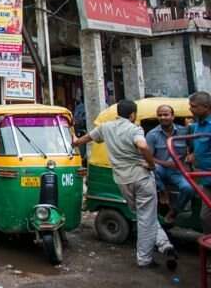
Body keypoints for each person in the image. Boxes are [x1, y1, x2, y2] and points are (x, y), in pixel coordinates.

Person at [73, 100, 176, 269]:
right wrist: (151, 164)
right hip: (141, 178)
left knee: (144, 216)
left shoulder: (106, 127)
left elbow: (86, 138)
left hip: (122, 181)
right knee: (145, 217)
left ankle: (165, 245)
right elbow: (142, 145)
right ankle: (144, 258)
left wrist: (75, 142)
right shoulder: (134, 129)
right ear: (132, 115)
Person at [145, 104, 192, 224]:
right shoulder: (152, 134)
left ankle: (174, 211)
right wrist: (165, 163)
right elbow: (148, 157)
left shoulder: (184, 131)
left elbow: (192, 150)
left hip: (178, 170)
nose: (162, 117)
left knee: (188, 189)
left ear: (172, 116)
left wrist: (187, 160)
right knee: (153, 167)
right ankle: (162, 191)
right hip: (160, 170)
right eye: (160, 115)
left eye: (166, 114)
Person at [188, 91, 211, 233]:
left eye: (194, 106)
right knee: (205, 216)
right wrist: (192, 154)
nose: (191, 109)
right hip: (205, 179)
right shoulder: (197, 125)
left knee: (206, 215)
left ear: (206, 107)